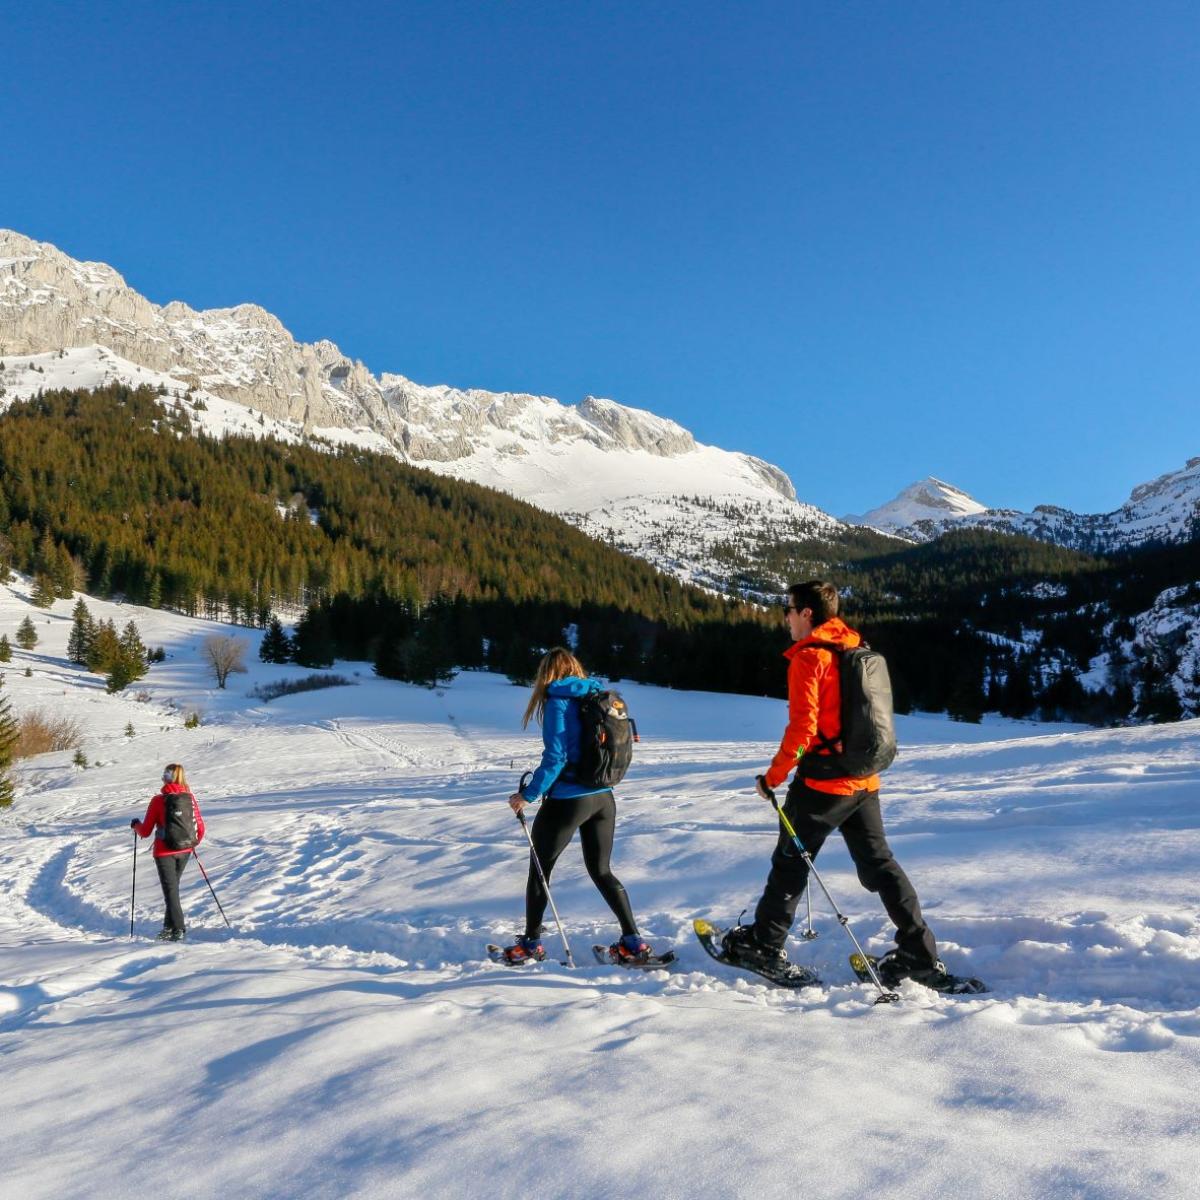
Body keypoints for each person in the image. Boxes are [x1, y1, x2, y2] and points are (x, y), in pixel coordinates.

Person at [723, 580, 953, 989]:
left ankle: (764, 944)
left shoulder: (810, 657)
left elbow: (803, 729)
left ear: (807, 613)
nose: (786, 618)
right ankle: (920, 953)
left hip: (823, 783)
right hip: (864, 780)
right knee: (881, 866)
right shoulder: (853, 647)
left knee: (791, 862)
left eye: (789, 610)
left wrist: (772, 778)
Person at [501, 648, 653, 964]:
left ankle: (530, 945)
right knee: (601, 870)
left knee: (540, 871)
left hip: (568, 801)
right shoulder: (598, 697)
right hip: (603, 796)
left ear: (547, 674)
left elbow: (555, 759)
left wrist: (527, 795)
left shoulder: (557, 702)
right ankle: (633, 942)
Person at [131, 763, 205, 942]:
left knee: (171, 891)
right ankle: (168, 927)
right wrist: (189, 843)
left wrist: (136, 826)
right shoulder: (190, 798)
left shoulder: (158, 801)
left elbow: (146, 831)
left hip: (164, 852)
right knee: (172, 890)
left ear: (166, 777)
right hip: (185, 850)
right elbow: (200, 828)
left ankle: (179, 929)